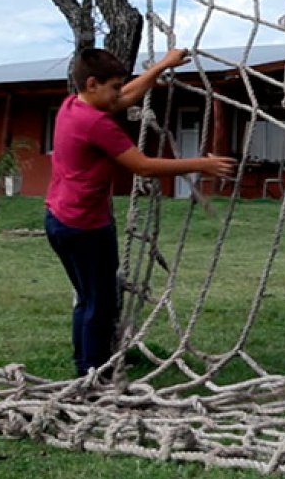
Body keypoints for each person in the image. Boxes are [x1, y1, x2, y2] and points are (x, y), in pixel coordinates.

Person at [45, 47, 236, 378]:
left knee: (89, 299)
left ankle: (85, 369)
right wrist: (202, 164)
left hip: (60, 219)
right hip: (83, 226)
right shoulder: (96, 124)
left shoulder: (73, 105)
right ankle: (92, 375)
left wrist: (161, 66)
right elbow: (143, 166)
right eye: (114, 86)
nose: (120, 93)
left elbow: (124, 99)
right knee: (100, 303)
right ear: (92, 83)